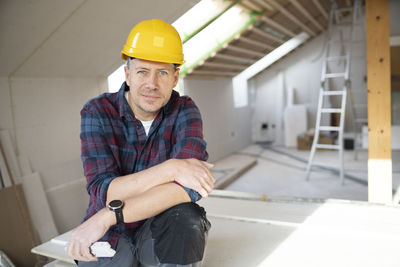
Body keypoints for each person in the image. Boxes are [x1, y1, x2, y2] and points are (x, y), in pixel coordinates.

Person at [67, 19, 215, 267]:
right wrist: (171, 169)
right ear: (127, 74)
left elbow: (189, 189)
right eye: (142, 71)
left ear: (175, 77)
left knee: (186, 218)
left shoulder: (184, 110)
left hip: (159, 225)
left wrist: (109, 215)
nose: (152, 84)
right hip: (109, 235)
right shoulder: (98, 111)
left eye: (163, 73)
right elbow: (104, 190)